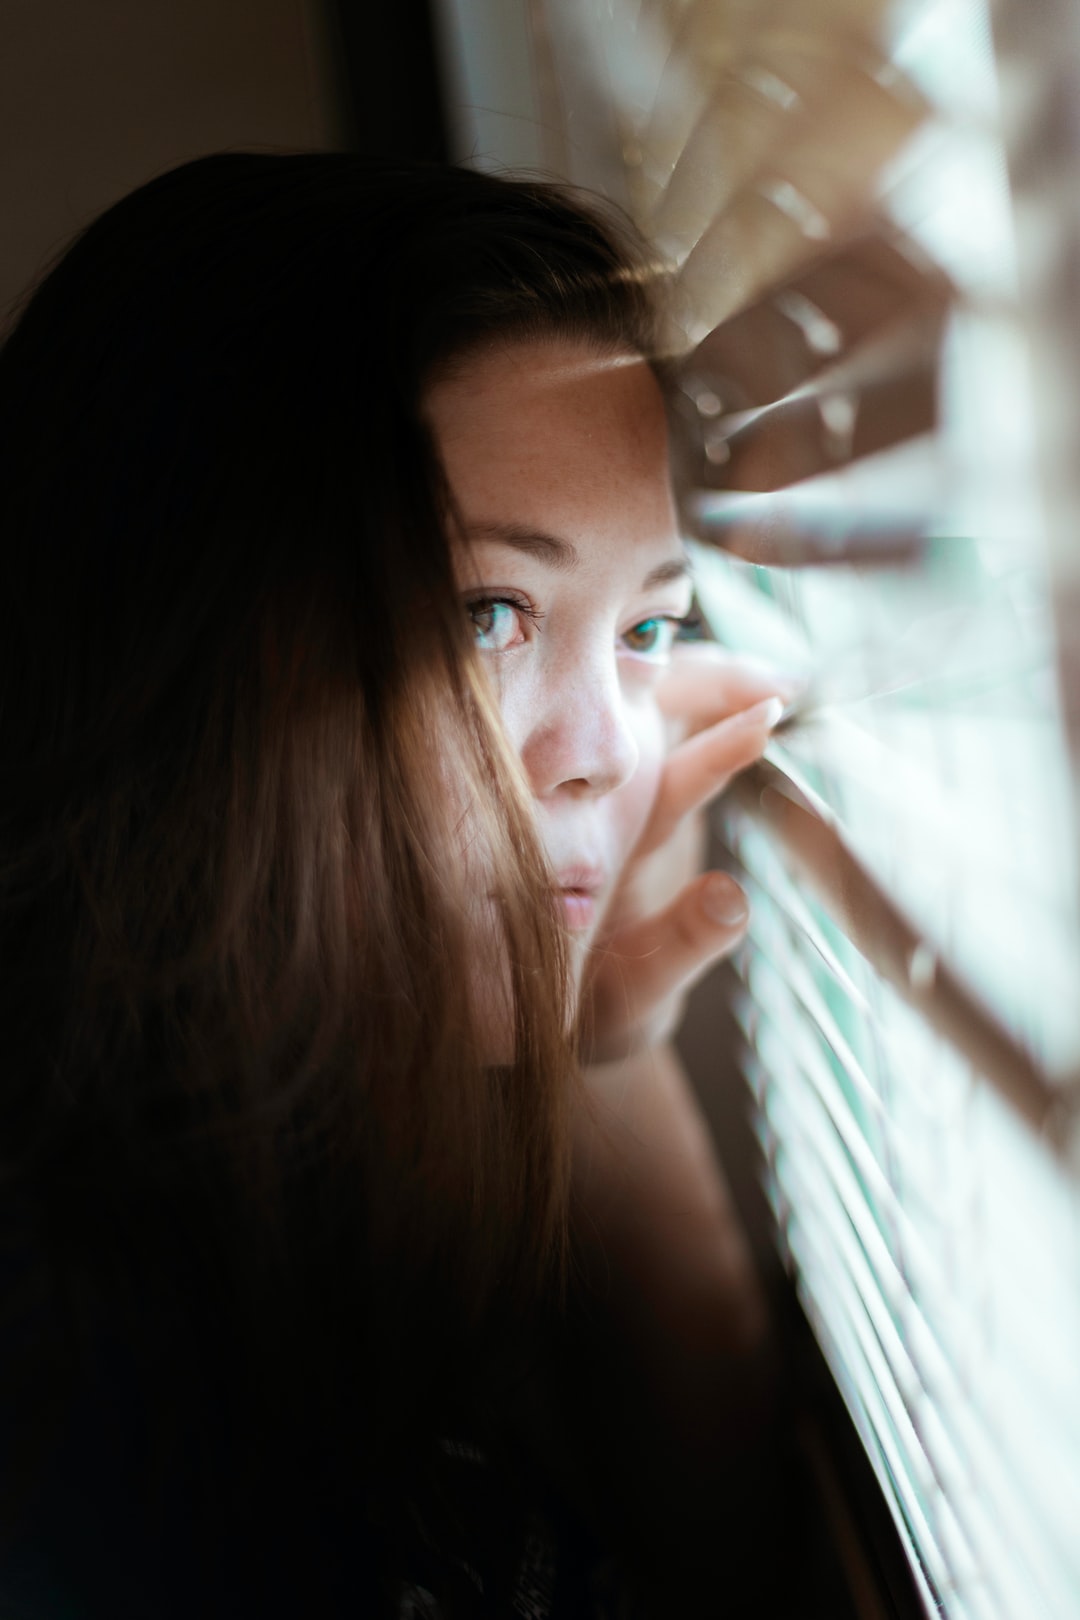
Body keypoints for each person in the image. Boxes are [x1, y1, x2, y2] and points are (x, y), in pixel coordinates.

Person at [0, 152, 791, 1617]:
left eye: (645, 631)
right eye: (489, 613)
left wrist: (603, 1051)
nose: (602, 756)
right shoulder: (73, 1419)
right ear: (183, 632)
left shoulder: (305, 1189)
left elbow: (723, 1569)